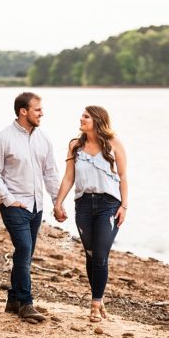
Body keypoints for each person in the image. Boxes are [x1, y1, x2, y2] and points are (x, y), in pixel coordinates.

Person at [0, 92, 61, 321]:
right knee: (25, 249)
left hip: (36, 206)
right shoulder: (2, 138)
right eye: (37, 109)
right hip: (15, 205)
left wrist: (57, 202)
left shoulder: (43, 138)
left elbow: (50, 173)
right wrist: (7, 199)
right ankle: (26, 303)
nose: (42, 113)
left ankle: (14, 299)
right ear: (23, 111)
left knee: (24, 254)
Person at [54, 105, 129, 322]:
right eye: (81, 116)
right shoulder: (75, 145)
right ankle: (99, 296)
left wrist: (124, 206)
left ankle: (95, 304)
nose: (81, 119)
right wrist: (58, 202)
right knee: (90, 253)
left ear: (97, 119)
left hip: (109, 205)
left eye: (85, 116)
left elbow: (123, 177)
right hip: (84, 205)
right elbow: (69, 177)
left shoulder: (114, 144)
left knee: (100, 254)